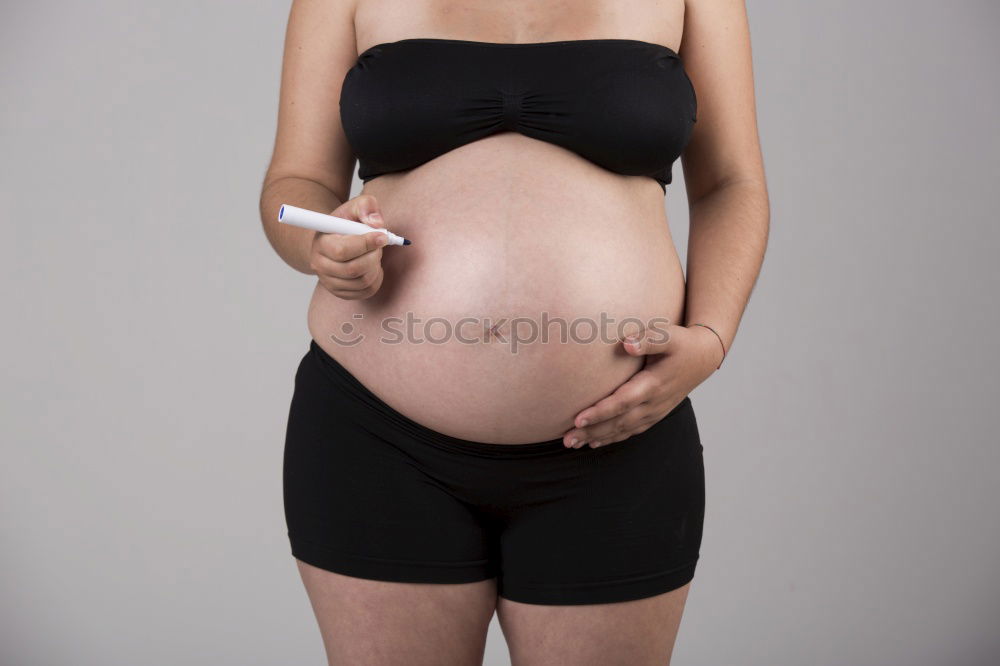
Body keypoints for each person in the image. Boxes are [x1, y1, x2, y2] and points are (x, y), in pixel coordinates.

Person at [259, 0, 768, 663]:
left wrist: (712, 336)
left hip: (617, 436)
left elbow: (731, 181)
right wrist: (320, 247)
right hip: (377, 434)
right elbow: (296, 181)